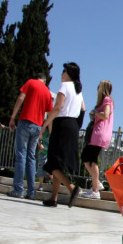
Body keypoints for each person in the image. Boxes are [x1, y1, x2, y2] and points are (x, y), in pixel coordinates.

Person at [41, 63, 85, 207]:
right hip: (72, 126)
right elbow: (83, 109)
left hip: (61, 124)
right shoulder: (79, 91)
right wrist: (76, 126)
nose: (61, 74)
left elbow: (58, 107)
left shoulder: (65, 86)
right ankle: (53, 198)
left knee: (52, 162)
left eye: (63, 71)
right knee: (58, 164)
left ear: (69, 74)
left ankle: (72, 188)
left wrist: (45, 124)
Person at [8, 73, 54, 199]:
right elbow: (50, 113)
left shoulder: (30, 82)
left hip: (25, 121)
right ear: (45, 80)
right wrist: (49, 130)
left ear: (37, 78)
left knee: (21, 155)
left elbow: (21, 98)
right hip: (37, 126)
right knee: (31, 157)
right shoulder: (47, 92)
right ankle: (31, 191)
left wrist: (13, 117)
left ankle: (18, 189)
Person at [80, 80, 114, 199]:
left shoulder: (107, 100)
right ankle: (96, 184)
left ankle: (95, 189)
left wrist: (95, 112)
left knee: (90, 159)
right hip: (98, 134)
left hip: (99, 133)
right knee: (87, 158)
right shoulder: (104, 100)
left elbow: (105, 115)